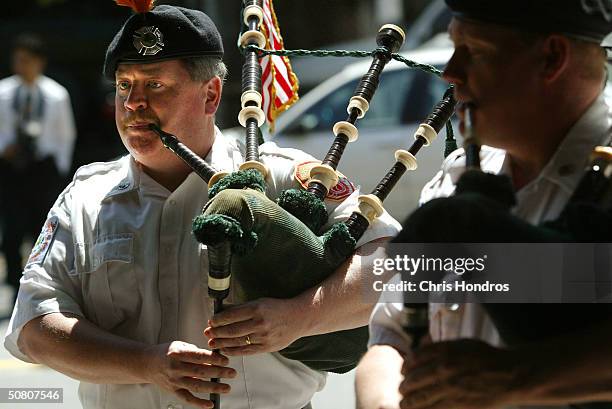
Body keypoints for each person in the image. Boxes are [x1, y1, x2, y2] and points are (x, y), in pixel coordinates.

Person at [3, 4, 400, 409]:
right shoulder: (85, 197)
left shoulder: (282, 178)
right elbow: (34, 328)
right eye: (125, 85)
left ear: (210, 95)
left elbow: (396, 264)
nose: (134, 103)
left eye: (155, 85)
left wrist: (298, 318)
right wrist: (144, 364)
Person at [355, 1, 612, 408]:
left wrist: (519, 377)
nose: (451, 73)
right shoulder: (456, 179)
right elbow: (391, 338)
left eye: (473, 51)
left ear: (551, 58)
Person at [0, 33, 76, 306]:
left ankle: (37, 282)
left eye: (27, 60)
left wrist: (59, 170)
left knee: (40, 225)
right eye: (17, 60)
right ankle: (12, 281)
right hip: (11, 165)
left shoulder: (55, 94)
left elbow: (65, 134)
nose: (22, 65)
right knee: (12, 225)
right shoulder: (4, 92)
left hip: (42, 167)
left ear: (39, 62)